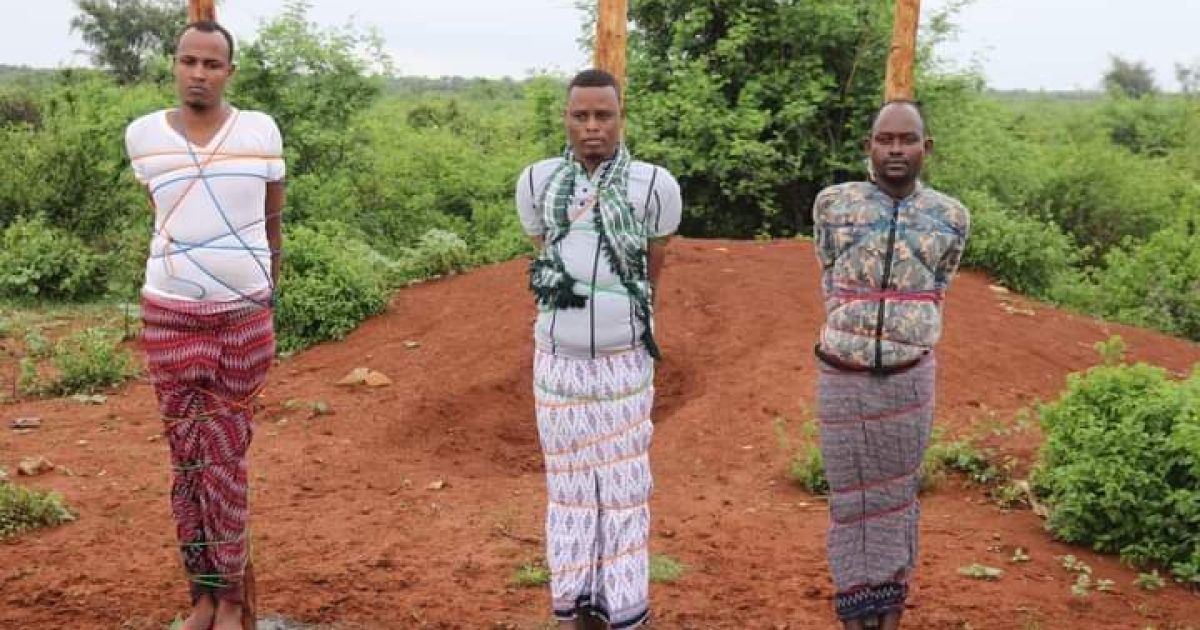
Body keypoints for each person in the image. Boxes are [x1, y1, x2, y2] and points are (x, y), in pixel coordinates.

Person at [124, 19, 285, 630]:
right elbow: (163, 216)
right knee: (186, 459)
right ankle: (203, 596)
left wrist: (264, 296)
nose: (199, 73)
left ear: (229, 72)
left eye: (212, 64)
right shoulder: (143, 136)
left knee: (227, 458)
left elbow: (273, 224)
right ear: (174, 64)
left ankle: (233, 600)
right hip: (169, 315)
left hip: (243, 321)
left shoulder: (261, 131)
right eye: (188, 61)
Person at [515, 68, 682, 629]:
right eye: (580, 115)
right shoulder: (536, 183)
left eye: (603, 115)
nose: (592, 126)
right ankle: (574, 611)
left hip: (624, 364)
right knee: (568, 494)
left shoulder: (655, 186)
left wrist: (622, 323)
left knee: (624, 492)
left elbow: (651, 271)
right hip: (557, 367)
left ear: (620, 119)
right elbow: (547, 257)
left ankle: (625, 610)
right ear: (565, 119)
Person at [811, 101, 970, 630]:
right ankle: (854, 609)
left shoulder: (951, 217)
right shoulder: (833, 205)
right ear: (869, 147)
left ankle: (891, 609)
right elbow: (828, 271)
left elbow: (939, 286)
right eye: (885, 139)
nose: (896, 149)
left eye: (907, 139)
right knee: (850, 498)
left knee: (897, 497)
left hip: (909, 380)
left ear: (927, 147)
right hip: (841, 374)